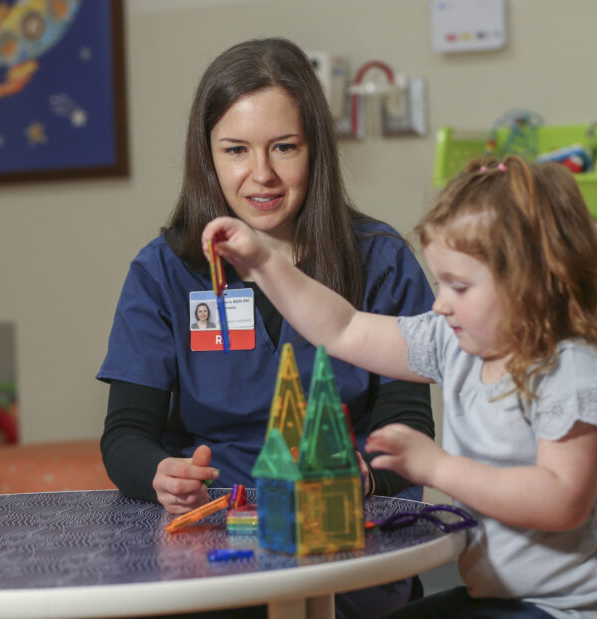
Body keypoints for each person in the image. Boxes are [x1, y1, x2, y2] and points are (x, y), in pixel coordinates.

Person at [203, 155, 597, 618]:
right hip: (498, 602)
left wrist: (438, 468)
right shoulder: (454, 346)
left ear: (532, 282)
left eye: (459, 286)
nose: (439, 303)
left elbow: (561, 503)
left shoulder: (572, 374)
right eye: (439, 283)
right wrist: (261, 262)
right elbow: (344, 328)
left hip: (573, 610)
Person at [97, 37, 436, 617]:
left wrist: (366, 477)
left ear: (316, 151)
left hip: (344, 541)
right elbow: (125, 433)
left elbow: (408, 422)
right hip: (214, 553)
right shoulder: (162, 270)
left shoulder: (380, 260)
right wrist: (161, 476)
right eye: (235, 150)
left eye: (284, 147)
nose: (262, 175)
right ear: (207, 155)